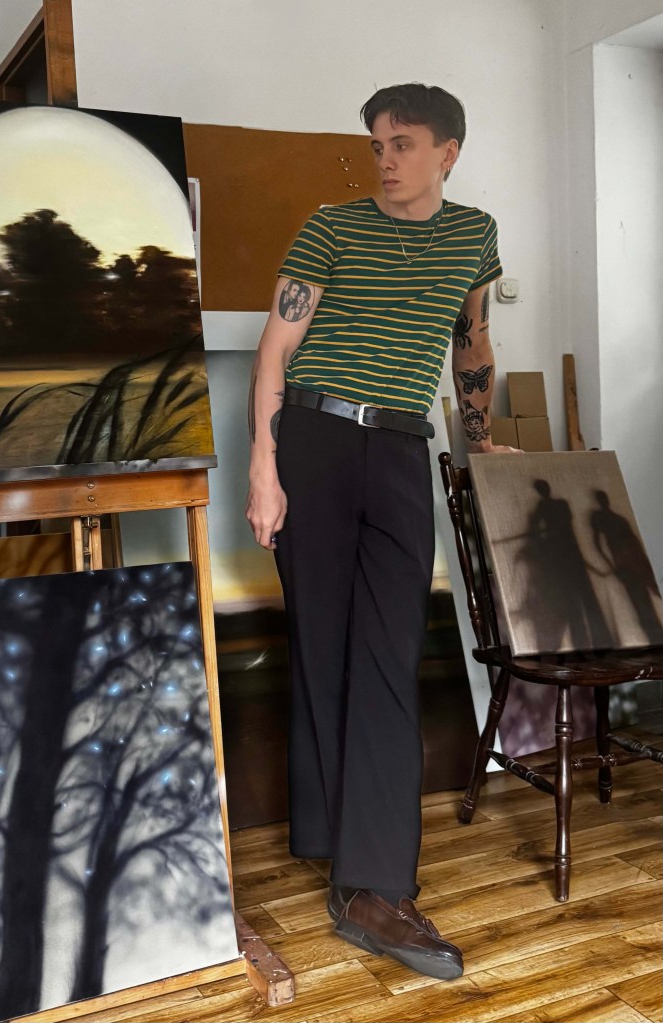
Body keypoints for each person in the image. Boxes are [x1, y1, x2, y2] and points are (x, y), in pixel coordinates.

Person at [245, 82, 516, 980]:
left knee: (389, 654)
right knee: (322, 643)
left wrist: (479, 439)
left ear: (447, 152)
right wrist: (262, 466)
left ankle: (372, 881)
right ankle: (349, 863)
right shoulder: (330, 227)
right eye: (376, 144)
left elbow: (470, 342)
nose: (385, 158)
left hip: (401, 446)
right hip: (313, 438)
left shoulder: (473, 234)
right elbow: (276, 348)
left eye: (402, 142)